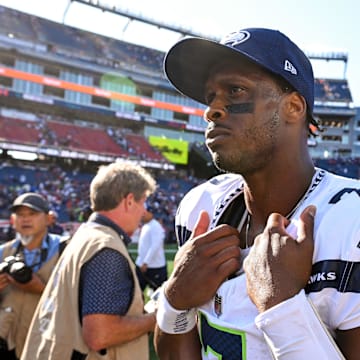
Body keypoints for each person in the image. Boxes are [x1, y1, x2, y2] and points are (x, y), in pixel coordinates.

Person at [154, 28, 360, 359]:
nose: (212, 111)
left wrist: (281, 307)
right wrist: (174, 301)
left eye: (235, 91)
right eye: (210, 98)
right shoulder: (199, 209)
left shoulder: (350, 222)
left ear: (293, 107)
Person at [21, 162, 158, 360]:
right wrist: (156, 318)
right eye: (143, 202)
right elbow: (100, 335)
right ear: (129, 201)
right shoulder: (106, 248)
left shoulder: (86, 235)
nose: (144, 211)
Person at [0, 192, 67, 360]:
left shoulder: (65, 250)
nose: (25, 219)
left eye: (32, 214)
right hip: (6, 339)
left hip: (47, 339)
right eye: (20, 215)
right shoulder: (3, 252)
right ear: (13, 220)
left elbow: (77, 299)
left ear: (49, 218)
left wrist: (42, 289)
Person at [135, 204, 167, 293]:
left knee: (158, 294)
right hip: (143, 265)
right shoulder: (146, 226)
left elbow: (155, 246)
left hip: (154, 266)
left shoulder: (155, 226)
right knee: (136, 292)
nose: (142, 214)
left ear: (151, 214)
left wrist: (146, 262)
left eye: (145, 212)